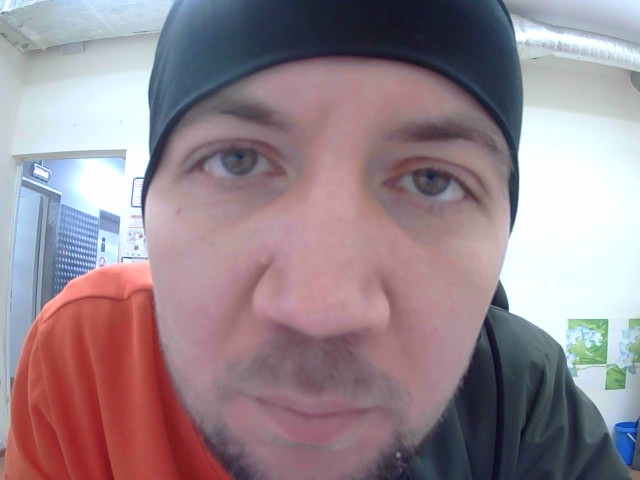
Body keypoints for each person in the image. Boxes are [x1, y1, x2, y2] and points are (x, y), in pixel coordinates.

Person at [4, 0, 631, 479]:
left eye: (433, 180)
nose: (320, 310)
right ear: (152, 205)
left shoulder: (523, 397)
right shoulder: (88, 354)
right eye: (238, 160)